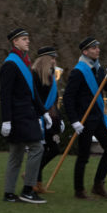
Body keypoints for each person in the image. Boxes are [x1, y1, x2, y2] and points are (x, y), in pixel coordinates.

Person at [0, 28, 51, 204]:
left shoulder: (23, 62)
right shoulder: (10, 64)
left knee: (16, 155)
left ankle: (9, 193)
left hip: (24, 115)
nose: (28, 41)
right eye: (24, 39)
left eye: (28, 38)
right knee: (37, 148)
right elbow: (5, 95)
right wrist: (6, 120)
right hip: (19, 116)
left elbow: (32, 91)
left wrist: (43, 111)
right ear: (15, 42)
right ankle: (28, 190)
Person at [63, 37, 107, 199]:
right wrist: (74, 121)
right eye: (93, 48)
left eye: (98, 47)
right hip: (83, 119)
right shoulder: (78, 71)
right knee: (83, 156)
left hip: (97, 117)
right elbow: (68, 97)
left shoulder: (99, 69)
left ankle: (98, 185)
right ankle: (79, 190)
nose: (97, 50)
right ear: (85, 52)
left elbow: (104, 88)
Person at [31, 46, 65, 193]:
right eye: (52, 58)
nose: (54, 61)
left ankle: (33, 177)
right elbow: (34, 98)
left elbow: (54, 100)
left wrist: (60, 118)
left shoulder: (52, 77)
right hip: (40, 117)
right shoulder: (35, 75)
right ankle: (36, 183)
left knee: (54, 149)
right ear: (45, 59)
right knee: (41, 150)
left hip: (52, 119)